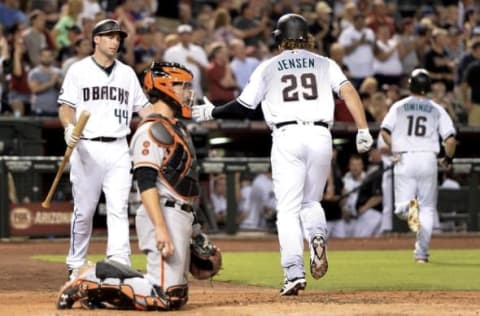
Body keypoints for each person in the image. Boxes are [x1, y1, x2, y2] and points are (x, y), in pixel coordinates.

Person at [192, 13, 373, 295]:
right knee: (311, 201)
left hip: (288, 136)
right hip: (321, 135)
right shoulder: (325, 63)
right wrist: (362, 129)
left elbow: (243, 106)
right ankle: (316, 236)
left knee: (287, 209)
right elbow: (349, 91)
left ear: (279, 39)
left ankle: (293, 272)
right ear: (307, 37)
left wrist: (212, 111)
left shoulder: (269, 66)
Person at [56, 61, 220, 311]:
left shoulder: (175, 128)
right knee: (164, 297)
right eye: (183, 86)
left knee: (177, 295)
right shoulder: (152, 129)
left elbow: (183, 185)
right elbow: (146, 184)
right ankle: (90, 278)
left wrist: (195, 231)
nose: (188, 92)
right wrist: (161, 229)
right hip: (162, 214)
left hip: (180, 214)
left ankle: (103, 294)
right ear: (165, 87)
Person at [58, 19, 151, 280]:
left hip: (119, 146)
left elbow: (144, 110)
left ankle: (119, 260)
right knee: (84, 210)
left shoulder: (127, 73)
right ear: (96, 39)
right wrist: (68, 127)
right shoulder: (79, 70)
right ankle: (75, 262)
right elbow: (66, 107)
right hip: (87, 148)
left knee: (119, 207)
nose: (115, 41)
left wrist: (163, 118)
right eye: (109, 36)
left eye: (118, 37)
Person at [380, 69, 456, 263]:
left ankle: (413, 214)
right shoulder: (437, 108)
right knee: (428, 209)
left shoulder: (399, 106)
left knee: (400, 210)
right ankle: (421, 253)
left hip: (405, 158)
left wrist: (394, 148)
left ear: (410, 84)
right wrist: (447, 160)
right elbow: (450, 141)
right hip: (428, 159)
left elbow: (384, 132)